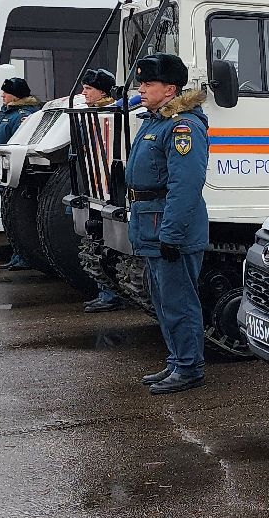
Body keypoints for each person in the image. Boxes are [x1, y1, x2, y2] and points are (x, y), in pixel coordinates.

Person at [125, 52, 210, 394]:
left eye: (148, 83)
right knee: (163, 300)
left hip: (170, 227)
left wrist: (171, 235)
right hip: (151, 223)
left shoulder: (183, 126)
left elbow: (185, 186)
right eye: (141, 83)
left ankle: (189, 368)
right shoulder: (156, 120)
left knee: (179, 301)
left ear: (170, 89)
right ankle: (177, 360)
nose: (141, 89)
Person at [74, 69, 128, 313]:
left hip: (105, 188)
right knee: (95, 241)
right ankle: (105, 291)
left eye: (89, 88)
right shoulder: (96, 114)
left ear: (103, 91)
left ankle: (111, 293)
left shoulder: (110, 114)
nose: (84, 92)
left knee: (104, 243)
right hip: (95, 186)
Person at [0, 77, 41, 270]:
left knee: (19, 217)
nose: (2, 95)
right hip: (5, 170)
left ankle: (25, 255)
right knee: (9, 216)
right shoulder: (8, 112)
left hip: (16, 174)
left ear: (17, 94)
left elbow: (21, 144)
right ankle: (17, 253)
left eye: (6, 92)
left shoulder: (22, 114)